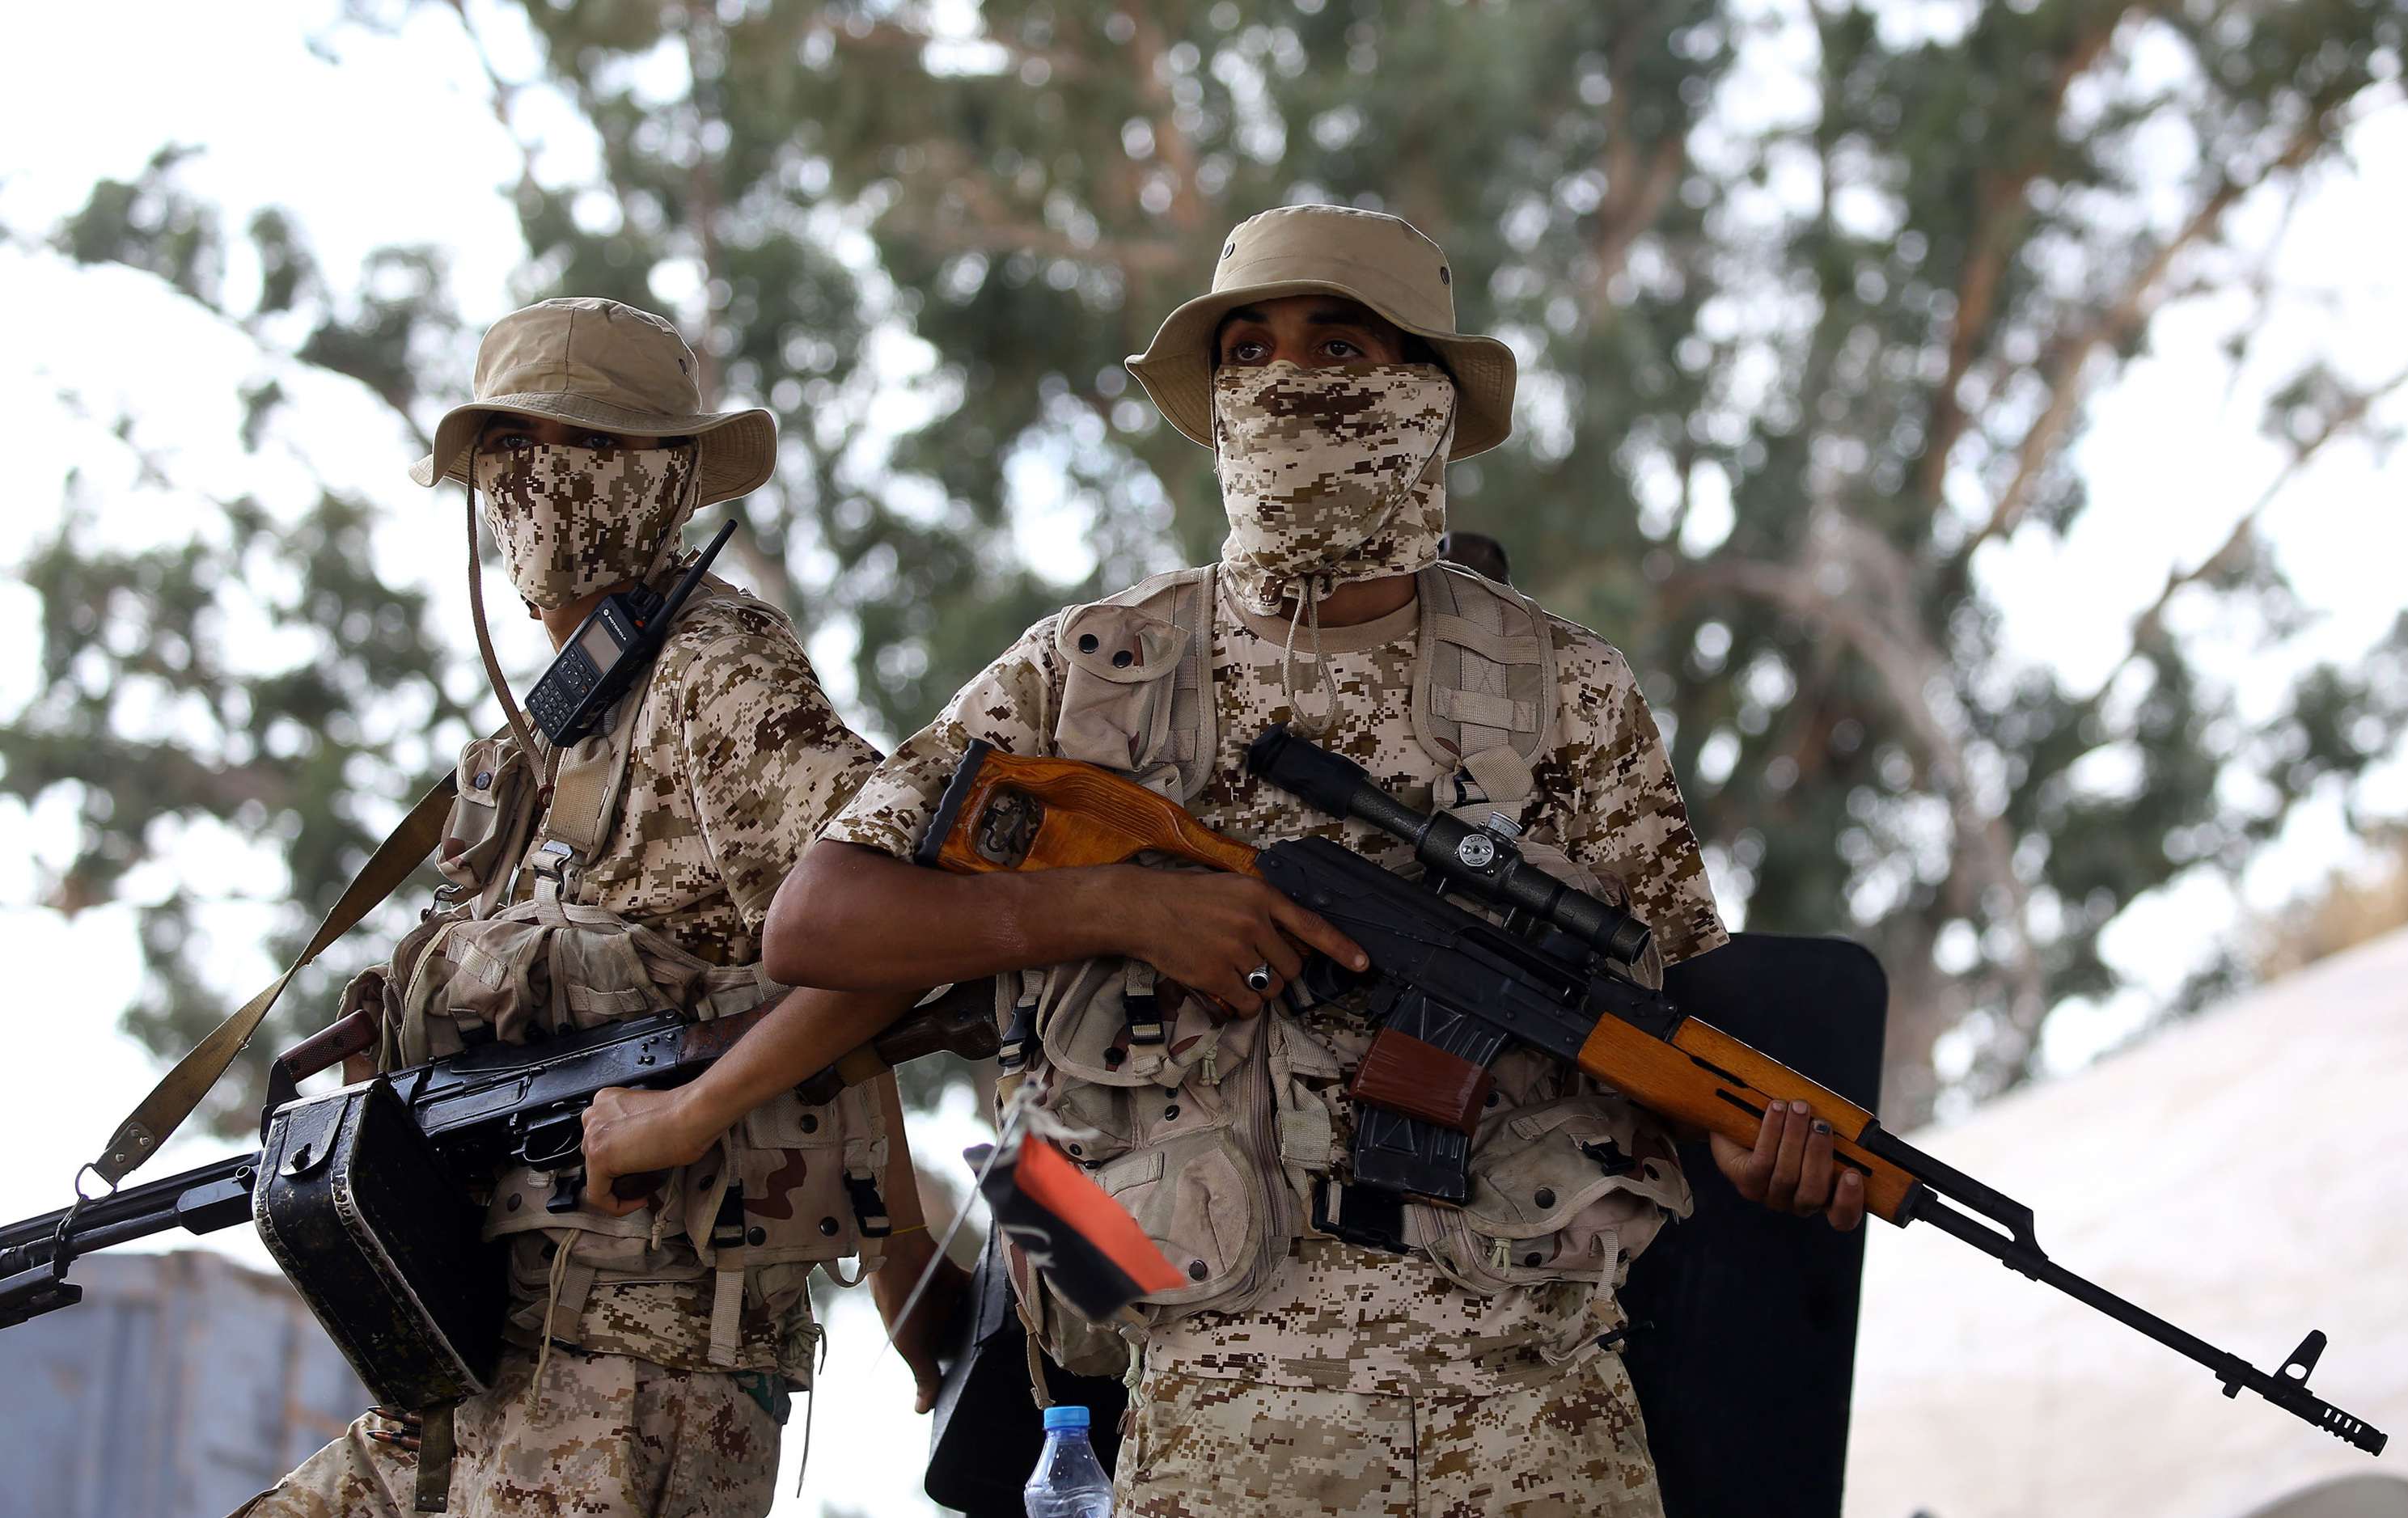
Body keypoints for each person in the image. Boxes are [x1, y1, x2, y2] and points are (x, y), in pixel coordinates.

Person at [585, 207, 1861, 1515]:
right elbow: (818, 920)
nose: (1284, 375)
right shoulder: (1092, 672)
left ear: (1426, 391)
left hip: (1540, 1412)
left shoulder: (1568, 688)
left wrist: (1751, 1152)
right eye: (1246, 347)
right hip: (1219, 1417)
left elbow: (1673, 1020)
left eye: (1338, 341)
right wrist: (1122, 907)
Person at [235, 297, 925, 1518]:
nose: (546, 479)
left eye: (594, 444)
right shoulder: (525, 750)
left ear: (672, 477)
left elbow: (890, 936)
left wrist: (900, 1270)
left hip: (641, 1373)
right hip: (481, 1356)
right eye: (515, 446)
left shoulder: (720, 673)